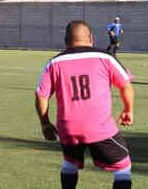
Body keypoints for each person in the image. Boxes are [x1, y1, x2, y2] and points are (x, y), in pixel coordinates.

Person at [35, 20, 134, 189]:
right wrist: (128, 110)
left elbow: (41, 95)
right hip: (99, 128)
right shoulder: (105, 57)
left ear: (66, 41)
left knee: (70, 162)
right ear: (91, 39)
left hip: (68, 129)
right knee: (123, 166)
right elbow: (125, 85)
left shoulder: (54, 63)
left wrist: (45, 123)